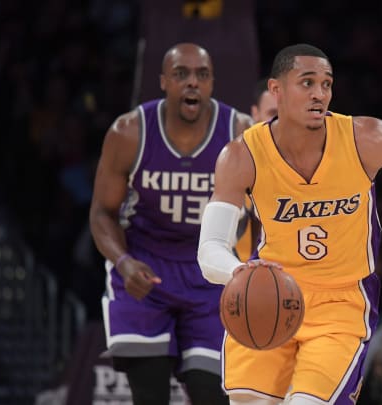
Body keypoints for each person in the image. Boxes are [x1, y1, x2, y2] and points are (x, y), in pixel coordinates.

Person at [197, 43, 382, 404]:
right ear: (276, 90)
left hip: (341, 303)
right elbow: (209, 250)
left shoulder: (363, 138)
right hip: (270, 295)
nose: (319, 94)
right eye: (307, 83)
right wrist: (240, 273)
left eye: (326, 84)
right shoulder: (241, 156)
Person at [89, 43, 252, 405]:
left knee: (211, 392)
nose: (192, 83)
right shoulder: (129, 132)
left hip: (209, 271)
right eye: (181, 74)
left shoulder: (241, 133)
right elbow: (102, 213)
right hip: (146, 266)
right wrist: (123, 262)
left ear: (212, 84)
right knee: (150, 394)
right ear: (163, 82)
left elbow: (263, 211)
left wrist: (242, 262)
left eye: (202, 75)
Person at [233, 78, 278, 262]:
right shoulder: (235, 163)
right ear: (255, 113)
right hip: (238, 275)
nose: (279, 121)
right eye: (273, 114)